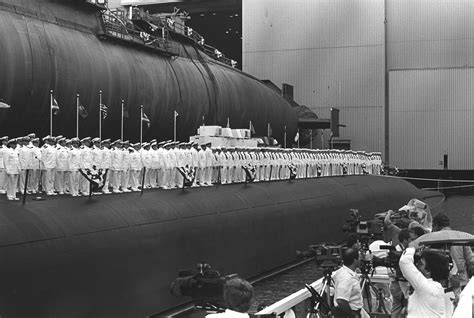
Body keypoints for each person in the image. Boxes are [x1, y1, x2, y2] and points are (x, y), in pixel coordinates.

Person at [399, 243, 450, 317]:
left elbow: (405, 262)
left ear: (428, 271)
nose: (416, 266)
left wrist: (411, 248)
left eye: (420, 264)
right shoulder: (434, 288)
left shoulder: (427, 287)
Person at [432, 213, 473, 289]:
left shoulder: (434, 240)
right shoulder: (461, 237)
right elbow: (471, 260)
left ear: (436, 225)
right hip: (463, 280)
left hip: (443, 283)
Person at [333, 248, 363, 318]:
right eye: (359, 258)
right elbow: (341, 300)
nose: (361, 260)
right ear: (355, 261)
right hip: (346, 314)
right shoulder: (347, 278)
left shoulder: (342, 271)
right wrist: (352, 315)